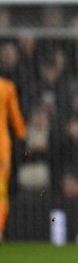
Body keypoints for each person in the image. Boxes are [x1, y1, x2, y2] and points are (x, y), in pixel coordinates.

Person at [0, 75, 26, 242]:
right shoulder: (6, 87)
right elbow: (17, 122)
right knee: (1, 191)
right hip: (1, 147)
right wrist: (22, 137)